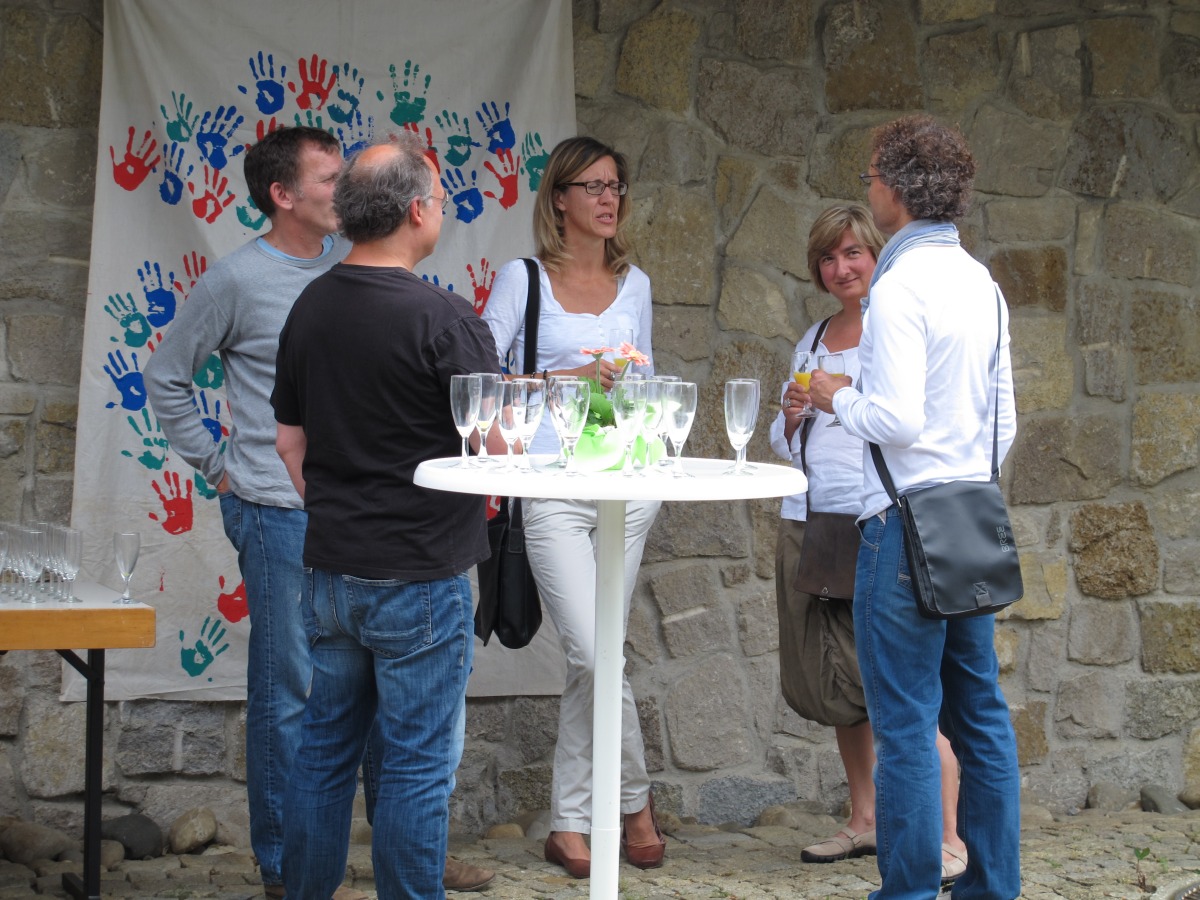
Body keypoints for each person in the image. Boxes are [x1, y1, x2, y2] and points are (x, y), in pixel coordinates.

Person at [271, 133, 504, 900]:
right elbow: (498, 446)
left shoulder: (309, 306)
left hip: (332, 567)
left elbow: (289, 442)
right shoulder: (446, 319)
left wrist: (341, 512)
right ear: (415, 212)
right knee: (415, 765)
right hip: (421, 574)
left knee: (323, 752)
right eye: (438, 198)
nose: (442, 209)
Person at [808, 116, 1020, 898]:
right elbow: (1005, 423)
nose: (868, 189)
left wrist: (836, 397)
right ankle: (993, 887)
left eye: (871, 177)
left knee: (903, 724)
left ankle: (906, 892)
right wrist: (960, 474)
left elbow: (894, 420)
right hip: (969, 520)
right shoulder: (981, 283)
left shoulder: (898, 288)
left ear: (896, 188)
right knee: (981, 716)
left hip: (899, 527)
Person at [144, 125, 350, 898]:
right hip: (274, 511)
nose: (343, 190)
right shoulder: (235, 280)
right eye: (328, 178)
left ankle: (353, 857)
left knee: (350, 685)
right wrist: (219, 466)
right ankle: (285, 868)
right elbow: (166, 377)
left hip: (352, 511)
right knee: (287, 688)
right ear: (282, 194)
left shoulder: (352, 266)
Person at [481, 136, 664, 878]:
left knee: (599, 654)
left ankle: (569, 824)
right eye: (593, 186)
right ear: (559, 198)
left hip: (629, 483)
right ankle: (635, 803)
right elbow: (478, 377)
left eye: (615, 186)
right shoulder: (521, 279)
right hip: (551, 482)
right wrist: (571, 378)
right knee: (595, 651)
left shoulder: (636, 284)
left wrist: (632, 386)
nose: (608, 198)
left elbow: (645, 383)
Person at [769, 205, 968, 883]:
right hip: (813, 519)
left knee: (897, 683)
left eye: (853, 252)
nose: (841, 268)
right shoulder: (814, 338)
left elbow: (907, 423)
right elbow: (786, 443)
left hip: (877, 520)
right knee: (837, 686)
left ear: (879, 253)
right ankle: (866, 818)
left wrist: (844, 398)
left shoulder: (896, 323)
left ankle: (947, 836)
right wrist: (791, 417)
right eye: (828, 257)